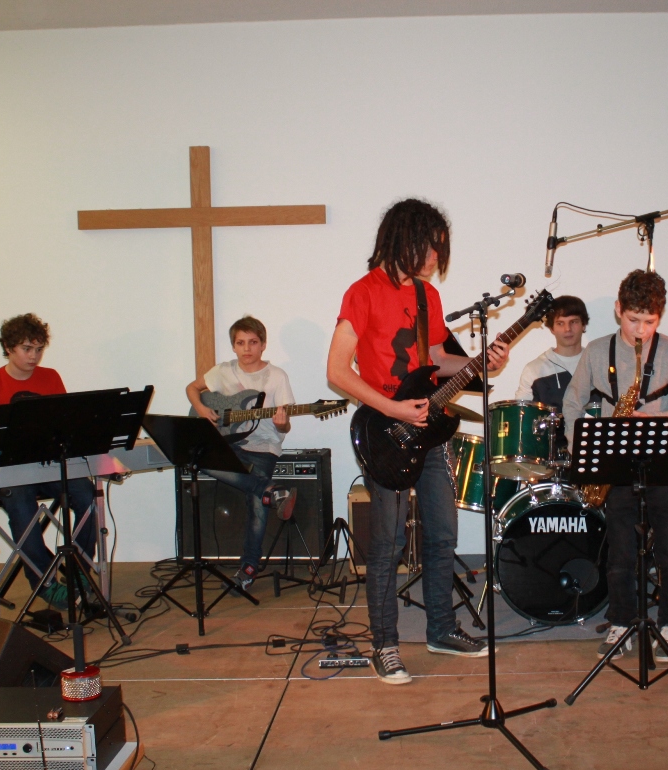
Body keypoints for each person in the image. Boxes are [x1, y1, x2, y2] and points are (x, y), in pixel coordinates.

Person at [326, 198, 508, 685]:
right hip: (385, 430)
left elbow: (435, 359)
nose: (436, 258)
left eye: (439, 249)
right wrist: (393, 408)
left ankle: (441, 630)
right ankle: (384, 644)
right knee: (387, 543)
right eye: (430, 248)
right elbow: (337, 371)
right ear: (404, 240)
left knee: (442, 532)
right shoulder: (362, 293)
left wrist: (481, 363)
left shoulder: (429, 296)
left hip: (429, 429)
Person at [562, 270, 668, 662]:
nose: (641, 330)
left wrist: (653, 420)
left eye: (650, 322)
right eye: (633, 319)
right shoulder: (596, 351)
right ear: (617, 310)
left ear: (660, 317)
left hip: (664, 462)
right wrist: (580, 449)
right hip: (615, 465)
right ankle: (621, 621)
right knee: (620, 552)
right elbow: (572, 402)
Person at [0, 313, 97, 608]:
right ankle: (45, 582)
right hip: (12, 472)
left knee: (87, 495)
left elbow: (64, 426)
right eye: (26, 349)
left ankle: (79, 572)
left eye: (39, 349)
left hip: (50, 467)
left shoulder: (51, 377)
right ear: (8, 347)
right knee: (20, 505)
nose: (34, 356)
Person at [186, 315, 294, 590]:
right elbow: (192, 388)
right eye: (241, 343)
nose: (247, 348)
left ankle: (248, 568)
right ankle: (270, 489)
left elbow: (285, 426)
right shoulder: (223, 371)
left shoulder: (276, 376)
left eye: (253, 342)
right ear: (233, 346)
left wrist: (282, 423)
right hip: (228, 441)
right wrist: (201, 409)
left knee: (257, 505)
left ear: (263, 345)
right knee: (196, 459)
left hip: (262, 446)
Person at [515, 295, 589, 410]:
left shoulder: (597, 363)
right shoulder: (534, 370)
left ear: (583, 325)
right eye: (560, 323)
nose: (567, 329)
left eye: (573, 322)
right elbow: (521, 414)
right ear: (552, 329)